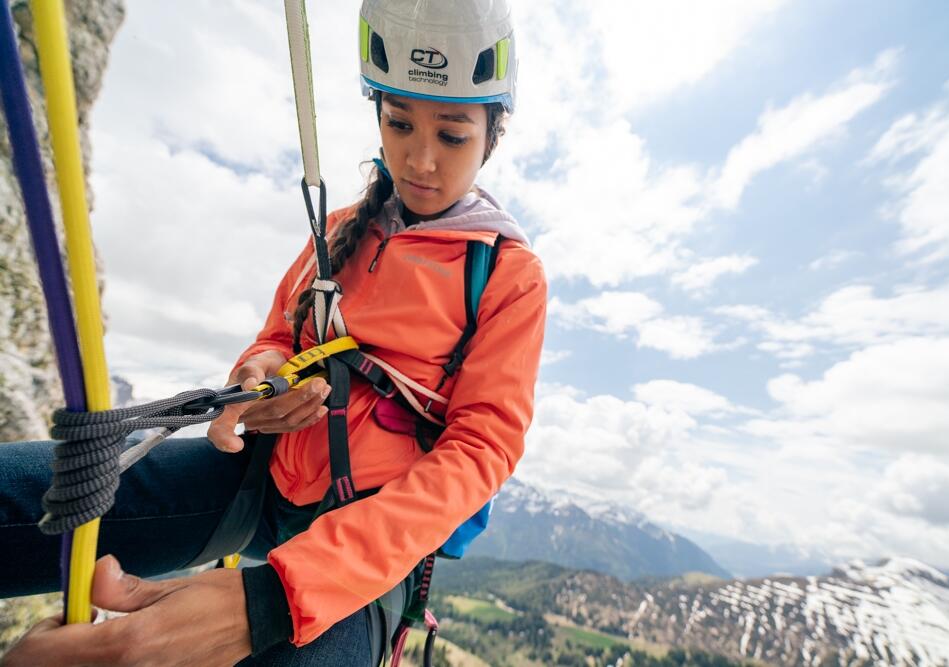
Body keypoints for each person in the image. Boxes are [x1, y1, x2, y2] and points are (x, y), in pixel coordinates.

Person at [0, 0, 546, 664]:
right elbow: (279, 334)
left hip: (373, 546)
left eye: (452, 135)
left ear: (494, 133)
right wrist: (257, 375)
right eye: (399, 122)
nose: (420, 159)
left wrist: (282, 595)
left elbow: (481, 448)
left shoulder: (506, 274)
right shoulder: (341, 227)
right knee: (24, 493)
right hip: (264, 480)